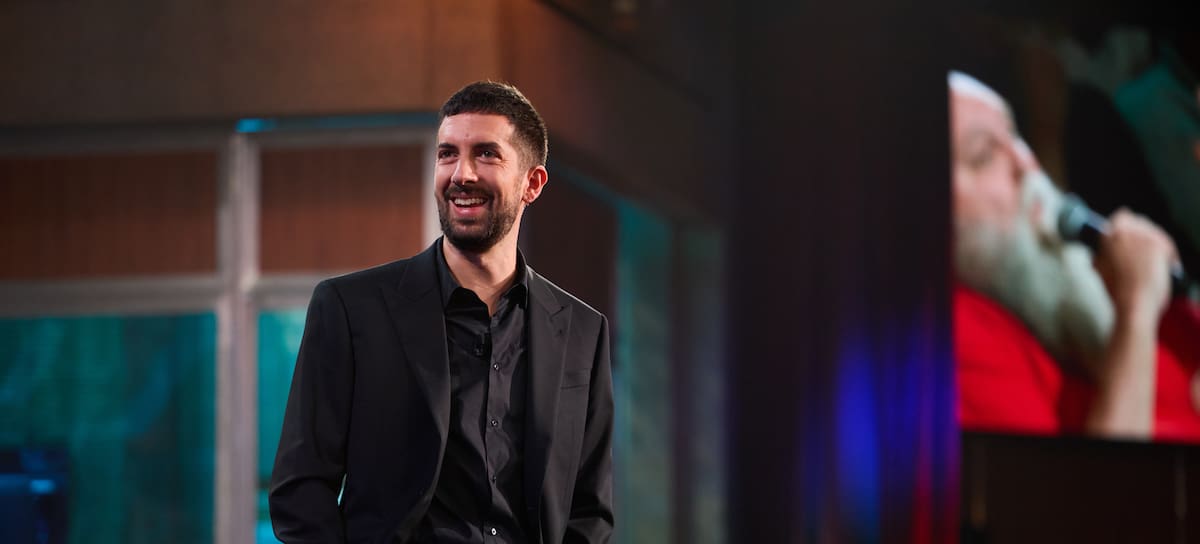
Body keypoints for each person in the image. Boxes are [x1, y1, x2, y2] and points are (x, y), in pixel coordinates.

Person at [269, 81, 615, 542]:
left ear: (532, 183)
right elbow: (300, 491)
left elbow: (590, 511)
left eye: (486, 154)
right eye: (447, 154)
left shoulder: (583, 331)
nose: (461, 174)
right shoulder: (351, 310)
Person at [949, 71, 1200, 441]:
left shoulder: (1090, 281)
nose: (1026, 164)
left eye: (1014, 135)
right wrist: (1137, 308)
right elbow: (1102, 479)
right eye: (984, 155)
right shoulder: (955, 333)